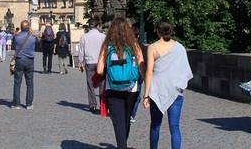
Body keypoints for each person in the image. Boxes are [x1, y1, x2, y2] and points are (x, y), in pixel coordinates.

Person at [142, 19, 193, 149]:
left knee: (155, 125)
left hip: (157, 90)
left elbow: (149, 72)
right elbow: (185, 70)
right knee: (175, 127)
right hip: (175, 91)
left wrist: (146, 95)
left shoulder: (152, 47)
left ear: (158, 31)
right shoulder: (180, 47)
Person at [96, 18, 144, 149]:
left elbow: (99, 70)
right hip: (131, 89)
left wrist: (110, 71)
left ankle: (122, 145)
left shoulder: (107, 45)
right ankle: (123, 145)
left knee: (118, 123)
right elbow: (142, 67)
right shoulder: (134, 45)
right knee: (126, 120)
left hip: (112, 88)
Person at [79, 18, 106, 112]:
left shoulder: (84, 37)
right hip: (101, 62)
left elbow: (81, 51)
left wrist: (80, 62)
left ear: (89, 26)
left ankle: (92, 104)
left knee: (90, 84)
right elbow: (106, 49)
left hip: (89, 62)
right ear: (97, 26)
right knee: (102, 84)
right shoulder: (103, 36)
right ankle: (103, 105)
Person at [12, 20, 37, 109]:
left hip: (19, 60)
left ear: (21, 27)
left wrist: (18, 33)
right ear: (29, 27)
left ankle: (16, 104)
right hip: (30, 60)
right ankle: (29, 104)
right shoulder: (33, 37)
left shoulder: (17, 37)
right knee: (30, 83)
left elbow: (14, 46)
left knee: (17, 83)